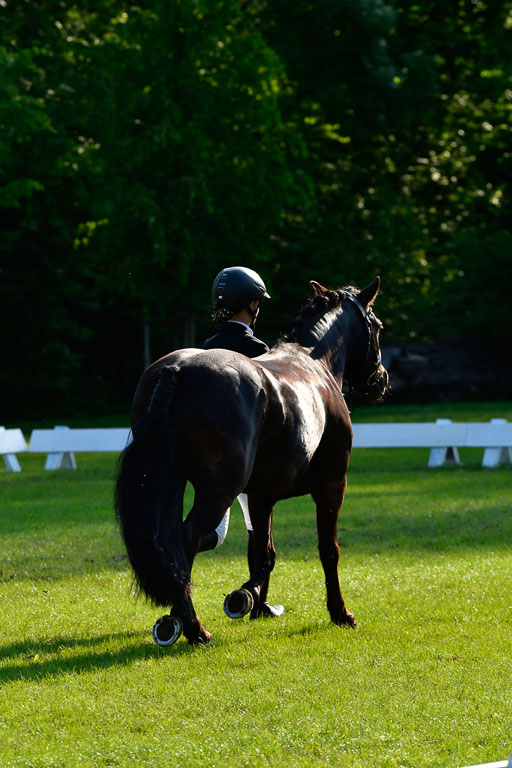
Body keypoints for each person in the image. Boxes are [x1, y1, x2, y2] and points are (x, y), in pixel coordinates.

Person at [199, 266, 284, 618]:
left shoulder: (204, 349)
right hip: (247, 460)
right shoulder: (258, 349)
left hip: (207, 457)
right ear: (252, 303)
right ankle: (257, 598)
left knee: (214, 531)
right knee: (256, 528)